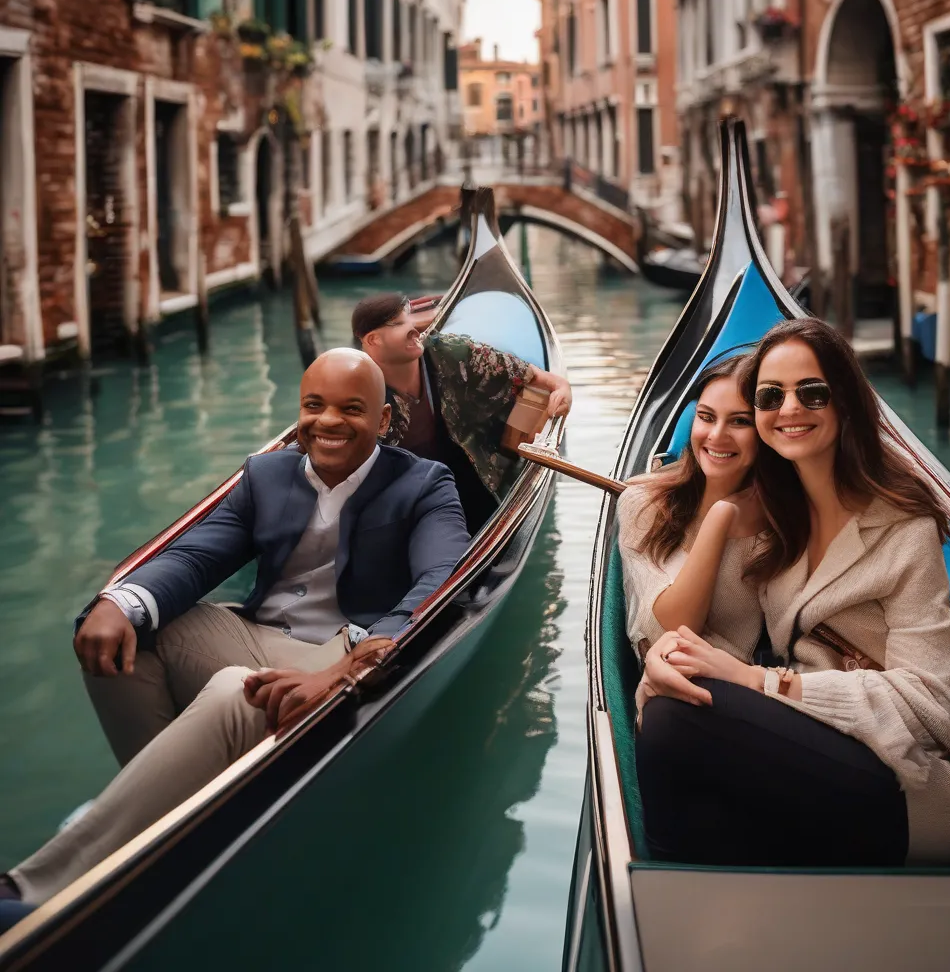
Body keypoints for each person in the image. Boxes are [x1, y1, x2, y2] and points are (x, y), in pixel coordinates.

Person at [0, 349, 469, 907]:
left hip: (342, 647)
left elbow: (444, 576)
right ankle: (169, 821)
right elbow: (196, 556)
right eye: (314, 405)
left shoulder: (424, 484)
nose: (328, 421)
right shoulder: (265, 474)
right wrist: (120, 602)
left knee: (233, 692)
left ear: (384, 421)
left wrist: (355, 663)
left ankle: (30, 892)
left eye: (351, 408)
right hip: (259, 633)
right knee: (118, 636)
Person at [635, 317, 950, 867]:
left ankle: (677, 905)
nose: (789, 408)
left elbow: (929, 706)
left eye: (811, 392)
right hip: (819, 745)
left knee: (676, 723)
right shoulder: (776, 523)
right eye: (771, 396)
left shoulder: (902, 526)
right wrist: (663, 654)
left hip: (914, 781)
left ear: (845, 403)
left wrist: (761, 682)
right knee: (666, 698)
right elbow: (711, 630)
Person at [617, 357, 764, 722]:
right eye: (707, 417)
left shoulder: (776, 521)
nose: (716, 436)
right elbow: (675, 624)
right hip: (670, 690)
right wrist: (720, 518)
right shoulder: (641, 502)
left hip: (748, 692)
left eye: (740, 421)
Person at [351, 293, 572, 533]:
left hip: (469, 483)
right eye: (401, 323)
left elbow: (538, 378)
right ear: (373, 340)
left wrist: (563, 389)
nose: (416, 328)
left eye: (410, 318)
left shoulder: (447, 353)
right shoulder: (356, 388)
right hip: (404, 509)